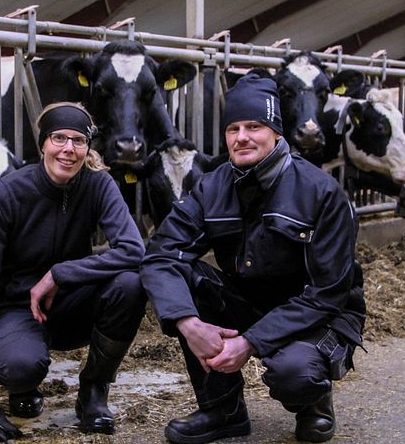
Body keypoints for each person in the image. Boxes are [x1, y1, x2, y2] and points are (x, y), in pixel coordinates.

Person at [140, 74, 366, 443]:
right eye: (233, 128)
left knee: (295, 374)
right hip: (249, 301)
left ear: (276, 132)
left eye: (254, 126)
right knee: (187, 279)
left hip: (316, 314)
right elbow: (160, 255)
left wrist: (248, 343)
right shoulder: (211, 187)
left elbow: (328, 293)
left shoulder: (322, 192)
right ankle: (222, 411)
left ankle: (315, 402)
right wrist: (187, 322)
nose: (241, 136)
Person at [0, 102, 146, 439]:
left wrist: (61, 274)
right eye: (58, 138)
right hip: (19, 310)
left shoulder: (98, 185)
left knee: (131, 285)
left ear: (87, 147)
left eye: (78, 140)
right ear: (43, 144)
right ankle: (23, 385)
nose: (68, 149)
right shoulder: (6, 195)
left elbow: (134, 250)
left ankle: (93, 391)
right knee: (20, 366)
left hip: (71, 302)